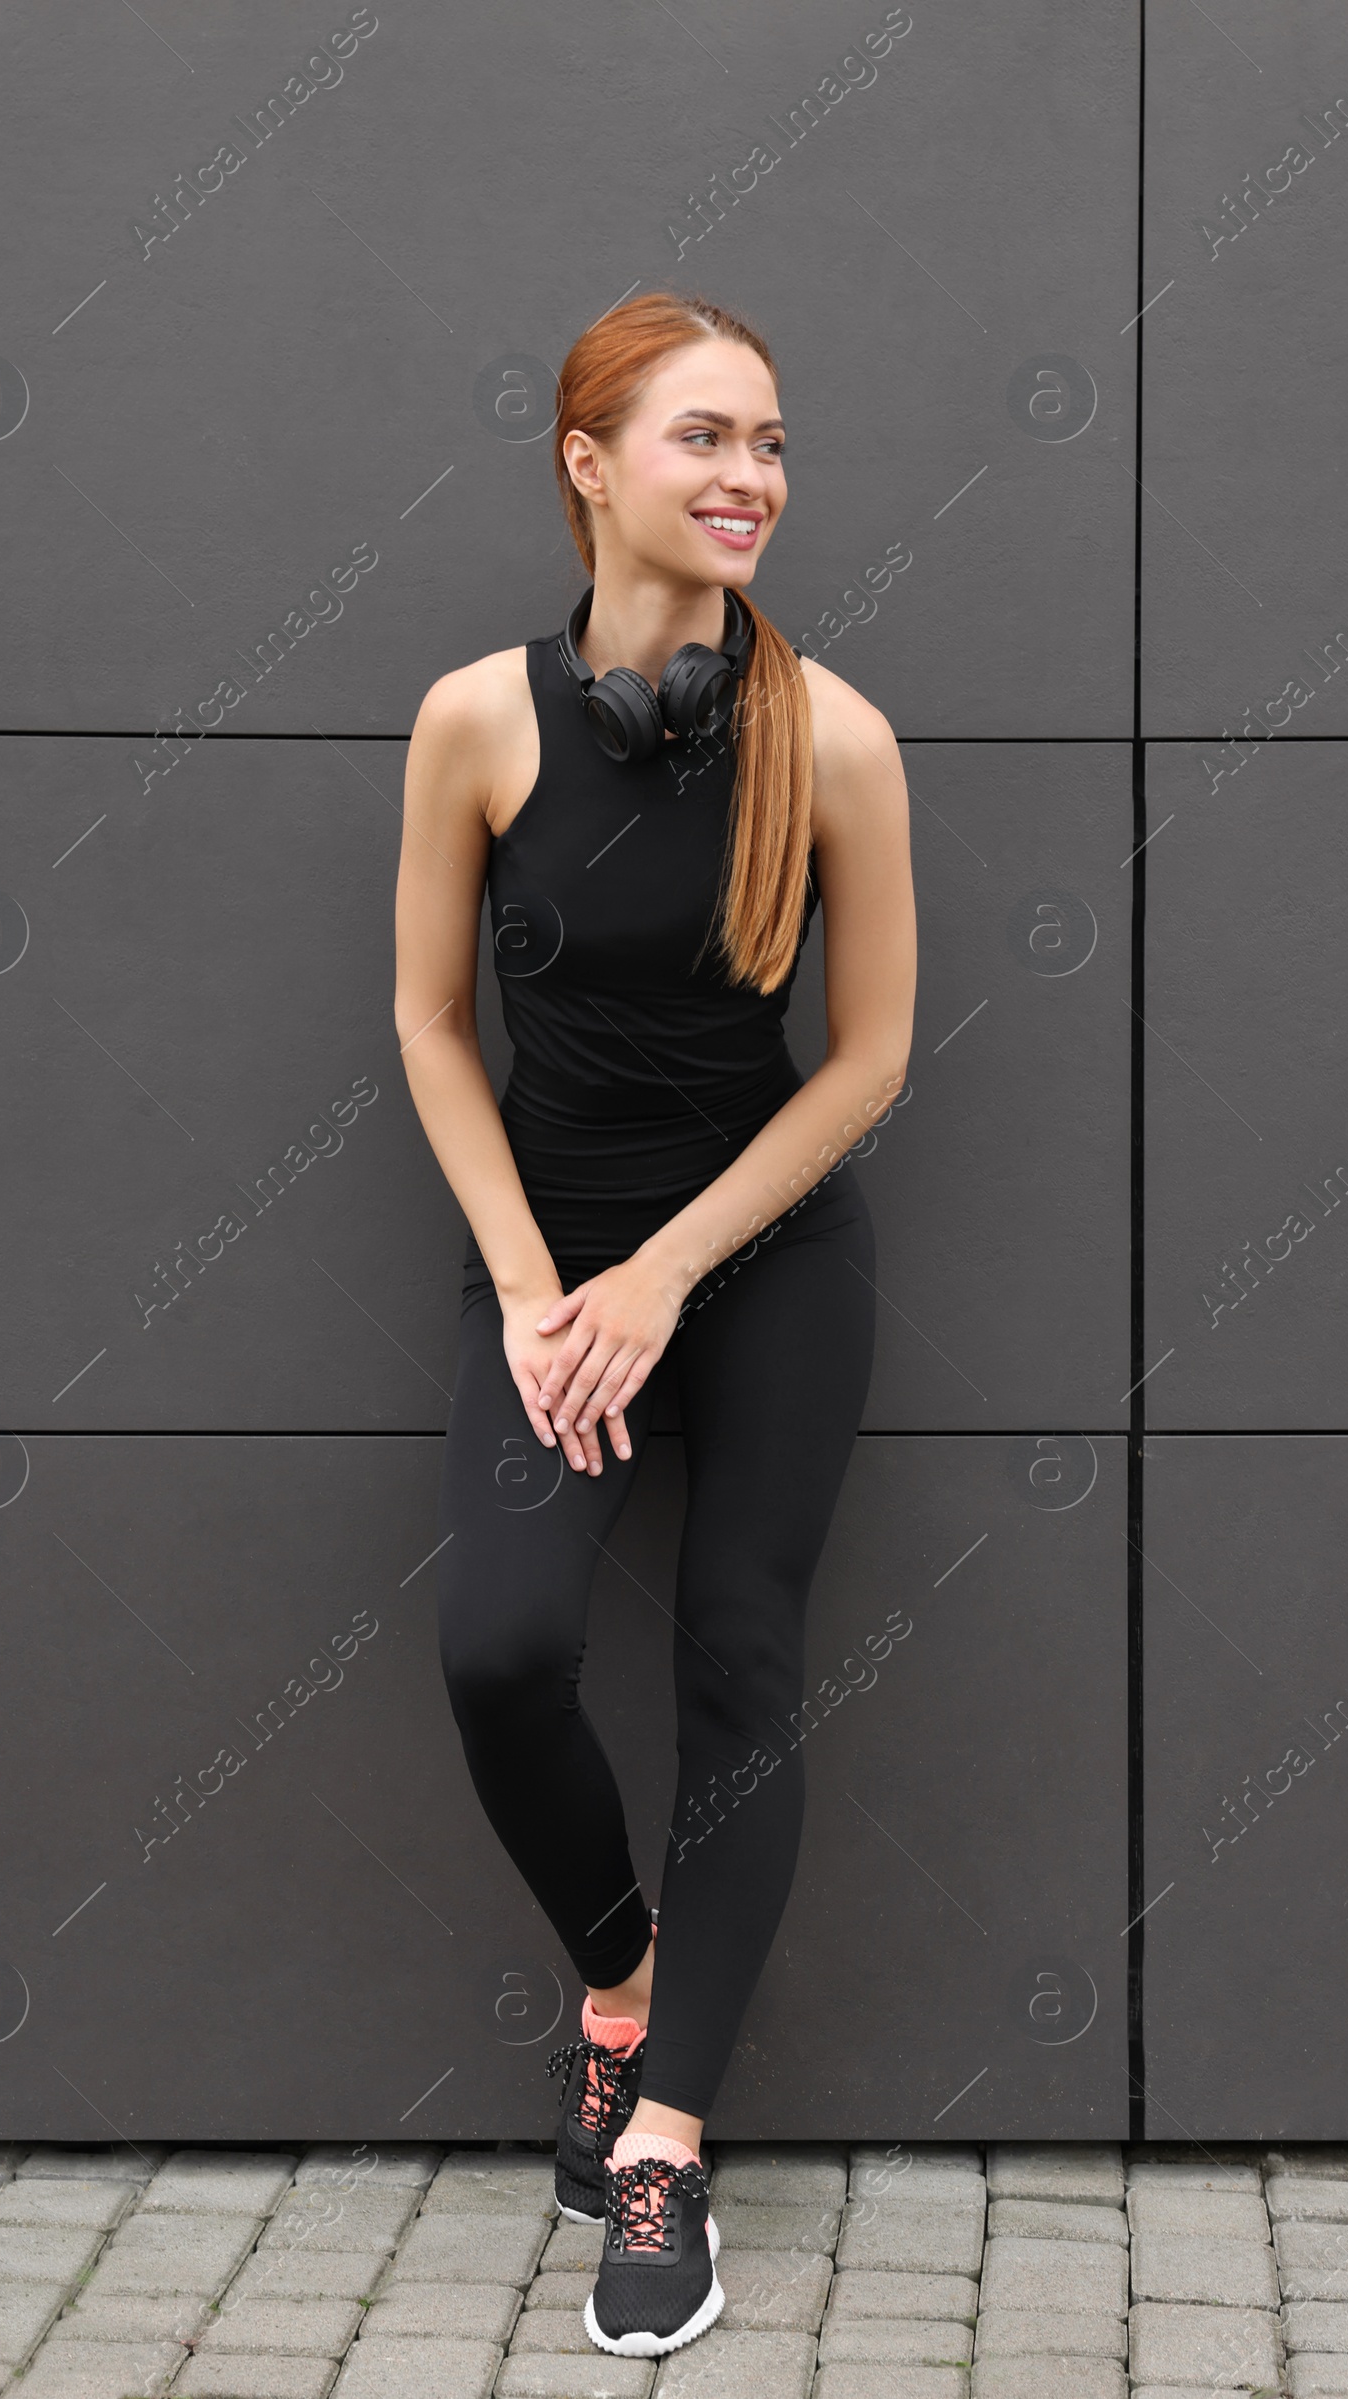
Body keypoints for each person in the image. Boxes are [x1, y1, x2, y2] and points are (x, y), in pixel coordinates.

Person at [393, 290, 916, 2358]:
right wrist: (538, 1290)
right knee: (501, 1646)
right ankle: (616, 1974)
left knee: (736, 1660)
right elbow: (432, 1022)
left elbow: (865, 1061)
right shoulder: (474, 723)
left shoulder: (837, 738)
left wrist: (668, 1269)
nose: (750, 479)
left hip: (760, 1260)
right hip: (551, 1270)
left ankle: (663, 2149)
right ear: (586, 462)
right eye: (705, 437)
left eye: (772, 442)